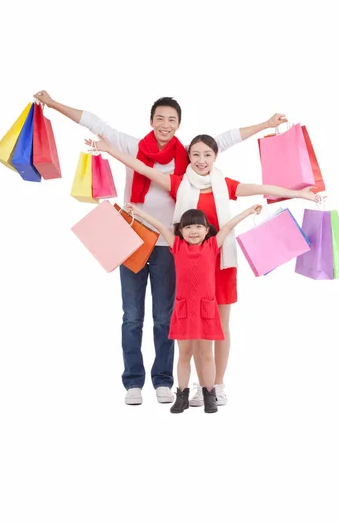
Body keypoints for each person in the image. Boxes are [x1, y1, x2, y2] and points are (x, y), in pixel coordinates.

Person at [34, 90, 288, 406]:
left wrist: (265, 124)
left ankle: (165, 381)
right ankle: (133, 382)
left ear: (179, 124)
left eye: (172, 120)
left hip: (172, 245)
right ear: (151, 121)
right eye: (160, 119)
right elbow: (94, 122)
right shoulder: (130, 147)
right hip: (131, 239)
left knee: (165, 317)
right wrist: (54, 104)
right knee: (132, 315)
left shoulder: (188, 156)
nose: (165, 125)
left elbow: (226, 139)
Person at [89, 133, 319, 406]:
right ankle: (201, 385)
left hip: (220, 262)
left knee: (219, 326)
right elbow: (142, 168)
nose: (201, 160)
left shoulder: (225, 184)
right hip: (188, 266)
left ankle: (217, 385)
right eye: (195, 155)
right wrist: (108, 149)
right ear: (189, 158)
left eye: (207, 155)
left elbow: (260, 187)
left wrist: (298, 193)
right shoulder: (178, 184)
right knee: (195, 328)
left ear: (215, 157)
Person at [123, 203, 263, 414]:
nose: (194, 231)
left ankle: (210, 395)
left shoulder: (212, 246)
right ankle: (182, 395)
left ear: (207, 230)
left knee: (207, 354)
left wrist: (249, 211)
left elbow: (229, 225)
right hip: (184, 309)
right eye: (188, 227)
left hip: (206, 309)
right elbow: (160, 226)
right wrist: (137, 212)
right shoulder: (177, 246)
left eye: (198, 227)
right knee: (184, 354)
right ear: (180, 231)